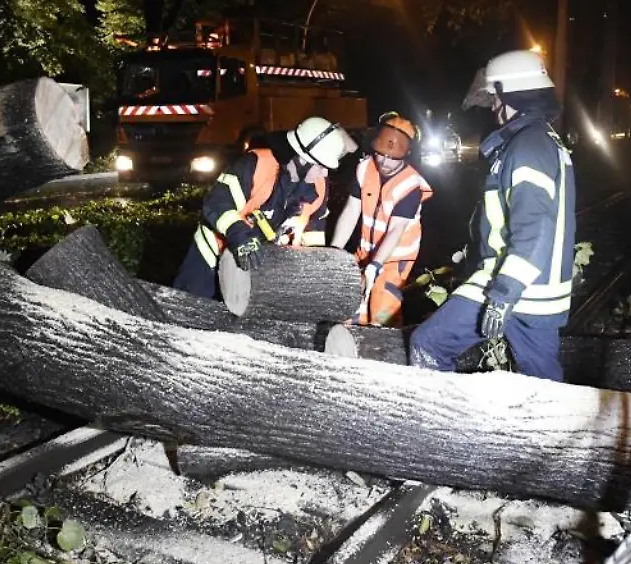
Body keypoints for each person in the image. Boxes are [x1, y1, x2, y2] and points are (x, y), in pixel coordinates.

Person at [408, 49, 576, 380]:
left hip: (516, 287)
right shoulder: (539, 141)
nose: (493, 107)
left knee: (430, 345)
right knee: (543, 381)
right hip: (522, 283)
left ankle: (445, 413)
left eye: (495, 97)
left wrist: (503, 294)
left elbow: (535, 227)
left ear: (509, 94)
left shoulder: (528, 146)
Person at [172, 116, 354, 298]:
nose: (324, 173)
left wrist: (313, 269)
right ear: (302, 160)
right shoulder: (255, 165)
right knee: (190, 307)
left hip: (259, 267)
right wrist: (240, 235)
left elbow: (313, 234)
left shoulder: (317, 188)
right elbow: (217, 203)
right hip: (213, 255)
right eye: (321, 165)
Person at [330, 112, 434, 326]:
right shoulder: (364, 168)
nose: (385, 162)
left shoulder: (410, 185)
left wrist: (376, 265)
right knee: (350, 306)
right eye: (381, 155)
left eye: (393, 157)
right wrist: (334, 251)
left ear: (406, 154)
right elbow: (351, 210)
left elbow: (396, 229)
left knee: (382, 313)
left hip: (395, 259)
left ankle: (383, 342)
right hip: (365, 251)